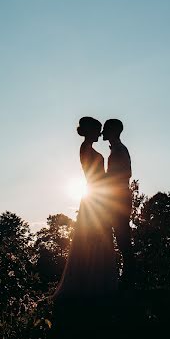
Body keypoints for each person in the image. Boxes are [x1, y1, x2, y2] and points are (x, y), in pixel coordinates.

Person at [54, 117, 117, 300]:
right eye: (97, 130)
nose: (100, 133)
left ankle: (95, 280)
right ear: (90, 131)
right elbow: (96, 176)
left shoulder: (88, 149)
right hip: (95, 198)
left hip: (96, 196)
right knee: (95, 237)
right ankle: (92, 283)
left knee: (99, 237)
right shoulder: (87, 149)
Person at [102, 118, 135, 285]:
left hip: (120, 197)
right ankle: (128, 273)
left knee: (122, 235)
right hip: (116, 197)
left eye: (106, 129)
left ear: (114, 131)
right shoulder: (116, 149)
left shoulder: (120, 150)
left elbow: (127, 173)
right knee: (120, 234)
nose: (103, 132)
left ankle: (130, 274)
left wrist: (108, 177)